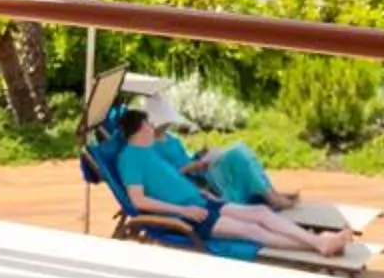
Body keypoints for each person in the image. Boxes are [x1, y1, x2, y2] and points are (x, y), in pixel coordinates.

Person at [107, 107, 352, 257]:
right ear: (140, 129)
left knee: (261, 212)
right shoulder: (130, 159)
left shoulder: (149, 151)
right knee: (252, 230)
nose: (153, 128)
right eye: (149, 124)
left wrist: (204, 194)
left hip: (201, 201)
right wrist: (183, 210)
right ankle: (318, 244)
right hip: (190, 215)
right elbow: (138, 200)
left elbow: (170, 181)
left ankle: (319, 243)